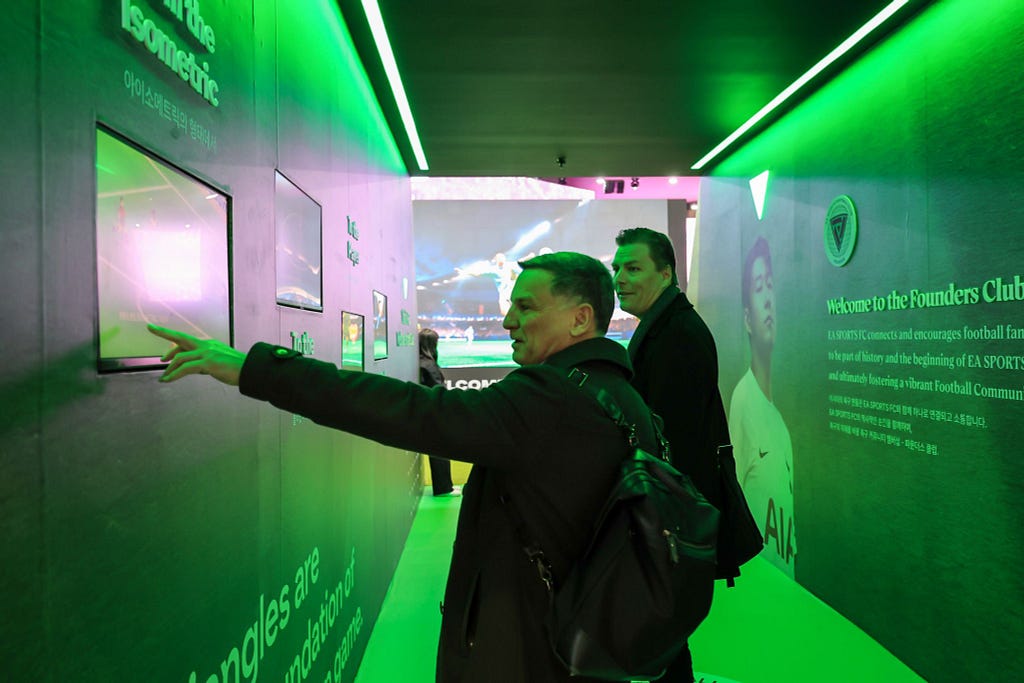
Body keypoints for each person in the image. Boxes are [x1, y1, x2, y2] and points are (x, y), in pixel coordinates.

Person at [148, 251, 664, 683]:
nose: (509, 321)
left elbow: (411, 412)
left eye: (526, 308)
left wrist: (254, 369)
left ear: (579, 318)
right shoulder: (622, 396)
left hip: (529, 647)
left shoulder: (549, 398)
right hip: (583, 633)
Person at [611, 227, 723, 683]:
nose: (620, 278)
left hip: (668, 512)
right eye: (616, 268)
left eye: (633, 268)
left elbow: (666, 441)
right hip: (666, 509)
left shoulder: (675, 334)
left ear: (666, 273)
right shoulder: (663, 326)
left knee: (665, 626)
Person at [729, 237, 796, 578]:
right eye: (758, 288)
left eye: (771, 286)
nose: (768, 299)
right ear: (747, 318)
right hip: (759, 590)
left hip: (786, 594)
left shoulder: (781, 425)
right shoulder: (743, 400)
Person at [418, 328, 461, 497]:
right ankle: (444, 487)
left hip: (426, 411)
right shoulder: (429, 364)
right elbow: (439, 389)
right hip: (433, 413)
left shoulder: (421, 362)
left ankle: (444, 486)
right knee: (440, 448)